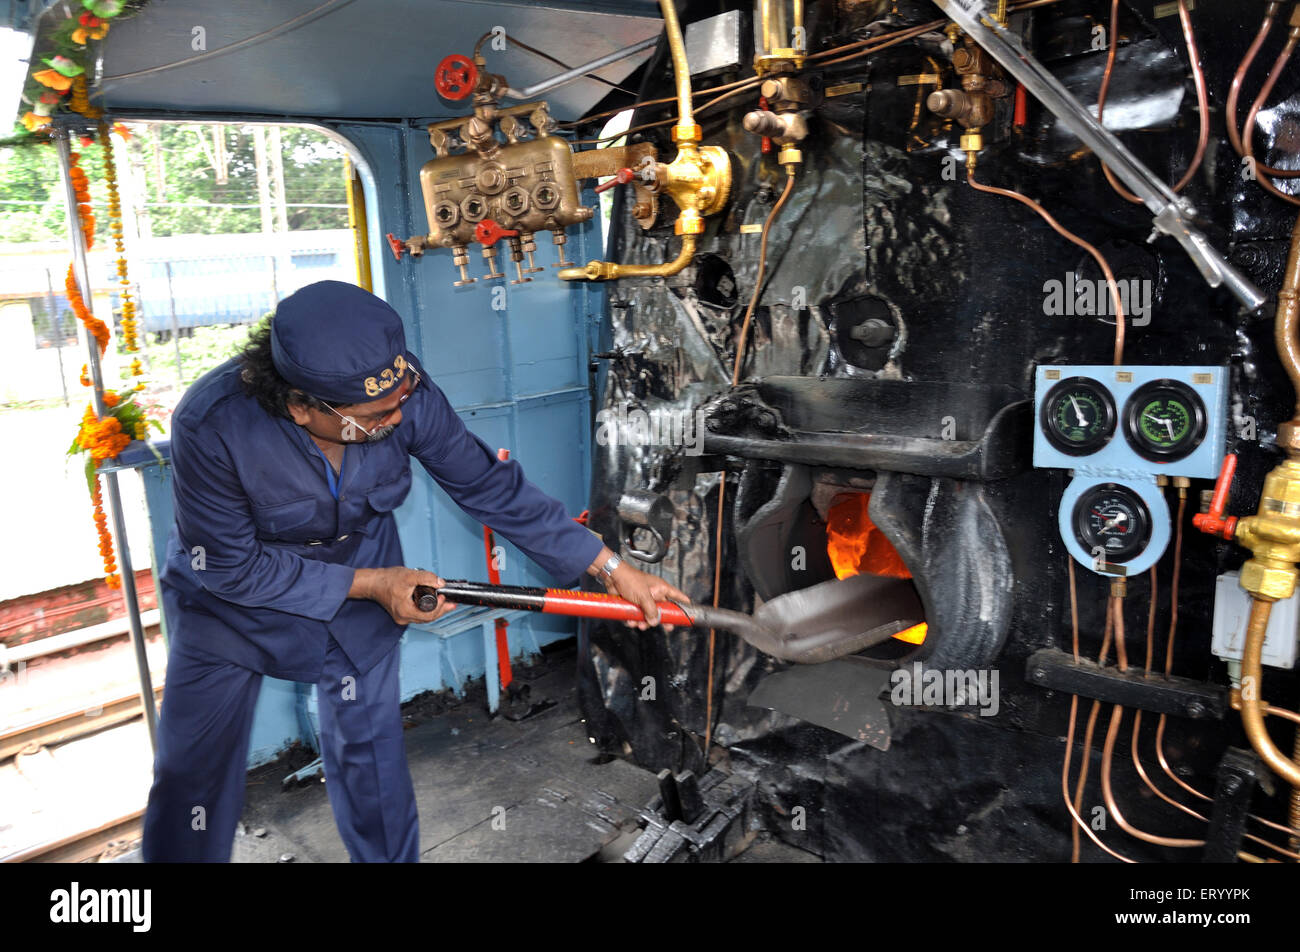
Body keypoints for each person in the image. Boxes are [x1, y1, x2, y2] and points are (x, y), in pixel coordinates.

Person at [141, 280, 688, 862]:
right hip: (232, 607)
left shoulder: (399, 387)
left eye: (402, 397)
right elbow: (230, 565)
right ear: (302, 407)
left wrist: (606, 566)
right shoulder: (212, 423)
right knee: (192, 773)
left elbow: (485, 483)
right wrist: (376, 584)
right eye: (378, 416)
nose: (401, 416)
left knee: (371, 759)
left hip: (361, 585)